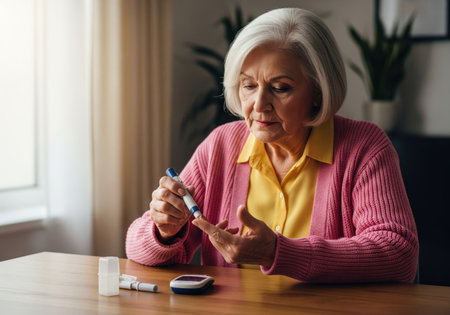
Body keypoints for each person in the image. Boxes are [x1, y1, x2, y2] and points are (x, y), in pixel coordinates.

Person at [126, 8, 418, 283]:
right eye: (249, 85)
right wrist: (164, 230)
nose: (259, 105)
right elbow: (137, 248)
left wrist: (279, 253)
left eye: (280, 88)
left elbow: (398, 253)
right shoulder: (221, 146)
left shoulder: (364, 147)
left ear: (318, 92)